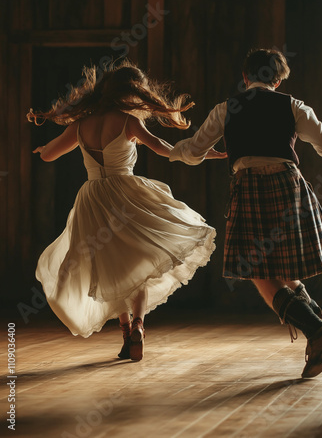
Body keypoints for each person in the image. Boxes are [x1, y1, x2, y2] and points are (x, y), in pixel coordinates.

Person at [28, 60, 225, 361]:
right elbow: (162, 147)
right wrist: (201, 153)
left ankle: (125, 334)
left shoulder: (81, 123)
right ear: (131, 95)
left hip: (92, 199)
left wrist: (42, 151)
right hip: (126, 197)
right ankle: (139, 327)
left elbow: (50, 154)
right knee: (138, 266)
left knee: (112, 268)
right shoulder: (128, 121)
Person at [169, 48, 322, 378]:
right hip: (288, 185)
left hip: (248, 186)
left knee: (260, 271)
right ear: (278, 80)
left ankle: (318, 329)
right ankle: (316, 325)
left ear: (246, 78)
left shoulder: (227, 109)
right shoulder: (292, 106)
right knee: (280, 266)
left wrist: (171, 153)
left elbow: (193, 151)